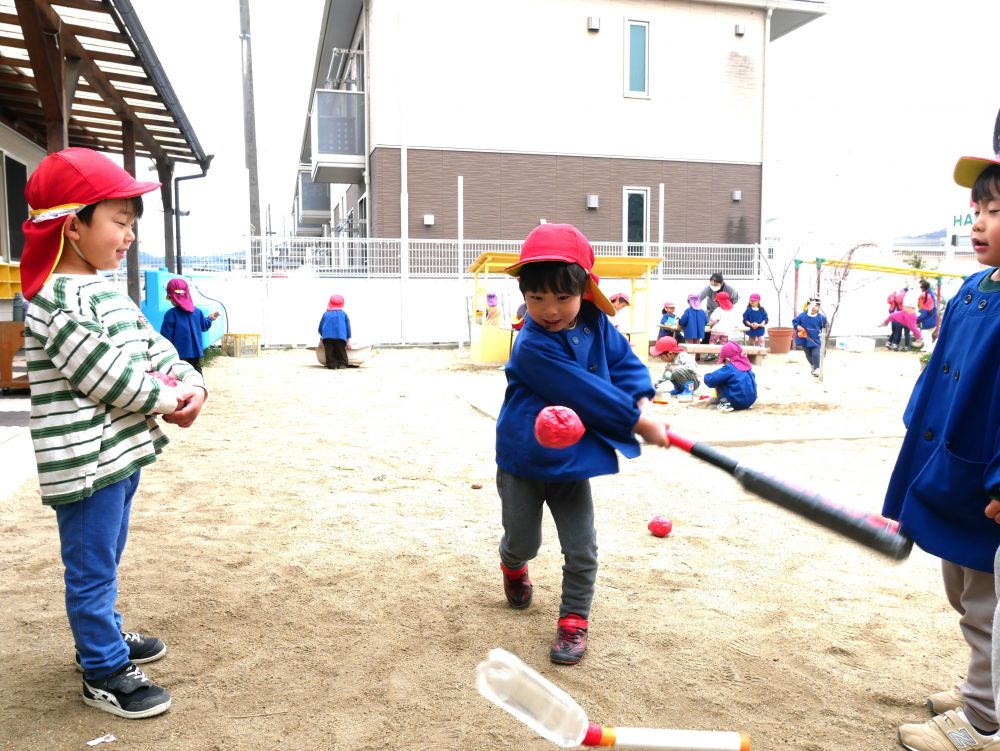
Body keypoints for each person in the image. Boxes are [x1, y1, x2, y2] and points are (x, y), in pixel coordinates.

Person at [19, 148, 208, 719]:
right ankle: (101, 668)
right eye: (119, 222)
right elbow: (107, 375)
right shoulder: (55, 299)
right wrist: (168, 399)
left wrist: (190, 381)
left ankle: (100, 633)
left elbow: (153, 347)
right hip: (85, 460)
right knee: (91, 566)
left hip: (119, 453)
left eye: (131, 224)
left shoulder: (105, 290)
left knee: (107, 554)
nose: (129, 235)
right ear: (72, 226)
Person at [495, 223, 669, 666]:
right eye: (537, 298)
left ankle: (574, 621)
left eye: (562, 297)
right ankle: (513, 565)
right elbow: (582, 391)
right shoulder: (531, 345)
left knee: (581, 547)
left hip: (571, 461)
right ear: (524, 294)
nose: (550, 309)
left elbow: (624, 364)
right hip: (524, 458)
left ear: (585, 290)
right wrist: (636, 421)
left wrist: (641, 399)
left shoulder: (596, 322)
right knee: (524, 542)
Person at [887, 154, 1000, 751]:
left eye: (996, 211)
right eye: (977, 208)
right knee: (962, 589)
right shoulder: (974, 288)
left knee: (988, 602)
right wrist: (916, 441)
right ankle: (984, 687)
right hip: (955, 465)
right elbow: (938, 375)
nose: (978, 222)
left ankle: (983, 719)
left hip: (990, 482)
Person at [159, 278, 220, 374]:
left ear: (172, 297)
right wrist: (210, 319)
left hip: (178, 354)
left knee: (180, 375)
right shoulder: (197, 312)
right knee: (195, 372)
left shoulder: (171, 314)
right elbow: (204, 326)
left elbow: (166, 337)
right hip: (196, 353)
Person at [702, 341, 757, 412]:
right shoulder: (748, 367)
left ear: (728, 359)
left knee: (721, 380)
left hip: (735, 401)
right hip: (750, 401)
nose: (724, 363)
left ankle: (725, 403)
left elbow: (711, 380)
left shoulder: (730, 368)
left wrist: (706, 376)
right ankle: (743, 402)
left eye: (724, 360)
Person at [698, 272, 740, 343]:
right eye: (712, 284)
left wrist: (727, 306)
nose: (713, 286)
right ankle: (706, 344)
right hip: (711, 311)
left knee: (724, 334)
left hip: (725, 313)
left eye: (715, 284)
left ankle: (723, 347)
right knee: (708, 333)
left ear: (722, 282)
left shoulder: (729, 289)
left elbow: (736, 298)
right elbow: (699, 297)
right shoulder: (708, 288)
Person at [792, 297, 828, 377]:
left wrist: (823, 335)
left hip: (815, 339)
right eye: (811, 305)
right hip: (804, 339)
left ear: (819, 307)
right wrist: (798, 327)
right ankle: (814, 366)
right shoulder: (802, 315)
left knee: (815, 352)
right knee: (808, 354)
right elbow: (795, 322)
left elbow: (825, 326)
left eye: (816, 306)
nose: (813, 307)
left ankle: (817, 368)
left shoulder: (821, 317)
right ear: (807, 306)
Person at [318, 294, 353, 369]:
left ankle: (332, 365)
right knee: (341, 351)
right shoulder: (344, 314)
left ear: (330, 302)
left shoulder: (326, 314)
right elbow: (348, 327)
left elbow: (321, 327)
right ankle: (343, 364)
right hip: (341, 337)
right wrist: (348, 340)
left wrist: (321, 337)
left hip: (327, 337)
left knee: (329, 352)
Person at [885, 286, 912, 351]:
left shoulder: (895, 300)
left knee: (896, 332)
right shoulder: (906, 299)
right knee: (906, 333)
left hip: (895, 319)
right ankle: (906, 346)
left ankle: (893, 344)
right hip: (905, 318)